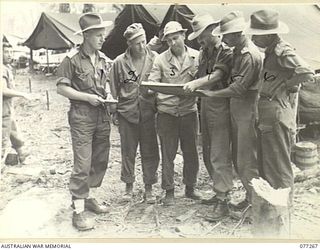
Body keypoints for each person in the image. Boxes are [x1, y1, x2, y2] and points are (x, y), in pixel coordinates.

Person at [197, 11, 263, 220]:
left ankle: (257, 207)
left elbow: (238, 88)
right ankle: (250, 198)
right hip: (237, 110)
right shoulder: (237, 51)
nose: (223, 39)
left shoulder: (249, 55)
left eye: (226, 35)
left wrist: (212, 93)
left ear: (237, 33)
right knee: (239, 158)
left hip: (246, 110)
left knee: (246, 160)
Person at [245, 10, 314, 205]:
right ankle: (274, 205)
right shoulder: (270, 52)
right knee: (269, 163)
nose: (252, 38)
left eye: (256, 34)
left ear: (268, 34)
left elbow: (306, 72)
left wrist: (284, 85)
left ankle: (284, 208)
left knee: (280, 164)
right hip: (268, 111)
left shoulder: (282, 50)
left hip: (276, 112)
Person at [56, 13, 115, 231]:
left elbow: (104, 82)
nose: (103, 38)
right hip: (82, 116)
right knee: (82, 164)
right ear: (87, 35)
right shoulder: (71, 59)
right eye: (99, 35)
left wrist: (106, 94)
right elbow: (61, 88)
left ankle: (87, 196)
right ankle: (78, 210)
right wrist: (86, 97)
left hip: (101, 115)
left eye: (103, 34)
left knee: (99, 160)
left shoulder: (102, 59)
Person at [183, 14, 234, 213]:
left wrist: (196, 83)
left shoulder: (225, 51)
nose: (199, 40)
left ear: (211, 30)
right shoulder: (204, 52)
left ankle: (224, 200)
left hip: (220, 104)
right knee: (207, 150)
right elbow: (198, 73)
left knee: (219, 153)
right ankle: (218, 190)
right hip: (205, 104)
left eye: (201, 35)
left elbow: (219, 75)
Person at [148, 21, 201, 206]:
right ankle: (169, 190)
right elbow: (152, 82)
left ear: (184, 36)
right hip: (167, 113)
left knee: (191, 151)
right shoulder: (160, 59)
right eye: (168, 40)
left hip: (188, 112)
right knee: (168, 152)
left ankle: (190, 187)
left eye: (175, 38)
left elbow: (203, 80)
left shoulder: (197, 57)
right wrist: (153, 91)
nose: (172, 43)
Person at [108, 23, 160, 203]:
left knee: (150, 150)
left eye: (144, 41)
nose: (141, 46)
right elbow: (113, 88)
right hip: (126, 113)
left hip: (149, 113)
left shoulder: (155, 58)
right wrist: (114, 112)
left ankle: (149, 187)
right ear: (129, 44)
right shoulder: (119, 62)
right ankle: (128, 185)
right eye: (137, 43)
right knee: (128, 151)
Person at [2, 41, 30, 167]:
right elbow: (3, 90)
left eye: (11, 52)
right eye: (5, 52)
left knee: (14, 131)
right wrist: (22, 94)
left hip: (7, 109)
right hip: (3, 111)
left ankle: (22, 154)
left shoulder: (7, 68)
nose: (9, 55)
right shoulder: (1, 69)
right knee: (2, 140)